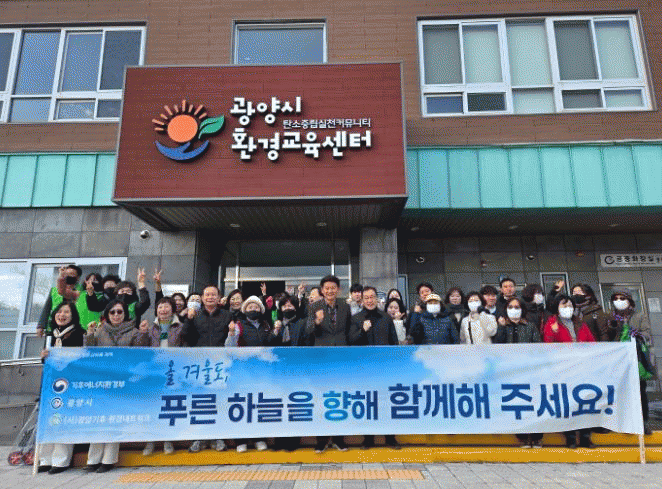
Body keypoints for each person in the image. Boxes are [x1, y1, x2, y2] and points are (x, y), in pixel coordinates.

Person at [83, 299, 150, 472]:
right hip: (101, 381)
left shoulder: (134, 331)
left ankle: (108, 460)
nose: (116, 315)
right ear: (107, 314)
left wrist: (143, 334)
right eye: (112, 312)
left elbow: (140, 353)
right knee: (98, 419)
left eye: (120, 312)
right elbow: (89, 352)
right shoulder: (99, 331)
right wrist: (89, 335)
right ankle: (93, 459)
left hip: (122, 381)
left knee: (114, 419)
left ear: (125, 314)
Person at [542, 294, 596, 449]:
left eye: (570, 306)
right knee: (568, 403)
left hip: (582, 368)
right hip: (563, 369)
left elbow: (592, 342)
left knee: (584, 402)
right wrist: (553, 332)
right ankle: (571, 437)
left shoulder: (580, 323)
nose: (568, 309)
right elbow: (547, 346)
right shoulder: (551, 323)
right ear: (557, 308)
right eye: (564, 306)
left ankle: (585, 436)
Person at [349, 286, 400, 449]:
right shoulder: (356, 318)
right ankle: (368, 439)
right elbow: (351, 341)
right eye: (366, 298)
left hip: (384, 368)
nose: (370, 300)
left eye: (372, 297)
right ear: (362, 300)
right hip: (364, 370)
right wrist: (362, 331)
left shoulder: (386, 318)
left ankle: (390, 438)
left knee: (386, 403)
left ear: (376, 299)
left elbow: (394, 342)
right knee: (367, 404)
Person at [38, 301, 85, 474]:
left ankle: (61, 460)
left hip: (68, 383)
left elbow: (80, 359)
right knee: (47, 419)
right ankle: (45, 459)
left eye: (66, 312)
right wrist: (44, 356)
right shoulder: (50, 335)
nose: (62, 315)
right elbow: (46, 362)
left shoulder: (79, 334)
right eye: (59, 311)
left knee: (63, 419)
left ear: (73, 316)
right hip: (50, 383)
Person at [183, 285, 232, 452]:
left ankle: (218, 437)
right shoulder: (195, 315)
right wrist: (189, 319)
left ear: (219, 298)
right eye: (207, 295)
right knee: (200, 401)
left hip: (220, 364)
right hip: (200, 364)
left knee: (219, 400)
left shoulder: (227, 315)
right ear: (202, 298)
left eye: (213, 294)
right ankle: (199, 437)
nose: (210, 297)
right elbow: (186, 337)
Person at [306, 275, 351, 452]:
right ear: (322, 290)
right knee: (321, 397)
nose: (330, 291)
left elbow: (348, 330)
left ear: (338, 289)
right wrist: (317, 321)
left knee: (339, 397)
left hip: (341, 357)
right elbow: (308, 330)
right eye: (327, 288)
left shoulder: (345, 306)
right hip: (322, 358)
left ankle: (339, 439)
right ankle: (321, 440)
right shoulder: (314, 306)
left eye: (333, 288)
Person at [225, 296, 277, 452]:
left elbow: (270, 344)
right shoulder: (239, 325)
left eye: (256, 307)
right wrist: (231, 333)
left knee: (259, 405)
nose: (253, 309)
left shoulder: (266, 325)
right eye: (250, 307)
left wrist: (275, 332)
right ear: (244, 309)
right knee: (241, 405)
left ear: (261, 310)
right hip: (243, 371)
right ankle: (240, 440)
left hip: (262, 371)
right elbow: (229, 347)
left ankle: (259, 438)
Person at [606, 290, 654, 435]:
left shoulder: (639, 316)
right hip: (618, 360)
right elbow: (607, 336)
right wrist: (613, 327)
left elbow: (647, 333)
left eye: (622, 298)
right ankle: (623, 422)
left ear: (629, 301)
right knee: (621, 392)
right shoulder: (610, 317)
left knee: (640, 392)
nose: (619, 301)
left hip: (636, 358)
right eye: (616, 298)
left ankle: (643, 422)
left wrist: (638, 334)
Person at [497, 297, 542, 448]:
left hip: (529, 371)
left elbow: (538, 346)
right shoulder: (503, 326)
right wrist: (501, 327)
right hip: (510, 372)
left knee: (533, 402)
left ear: (522, 309)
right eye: (510, 307)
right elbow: (497, 346)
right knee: (516, 403)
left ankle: (537, 436)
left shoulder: (530, 326)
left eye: (517, 307)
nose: (514, 310)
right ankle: (522, 436)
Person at [143, 297, 184, 456]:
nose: (163, 310)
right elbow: (142, 348)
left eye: (166, 307)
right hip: (155, 372)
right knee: (153, 406)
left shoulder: (180, 327)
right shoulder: (150, 328)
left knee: (169, 407)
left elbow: (186, 348)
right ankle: (150, 441)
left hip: (173, 372)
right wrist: (142, 333)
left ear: (173, 309)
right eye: (160, 307)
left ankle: (168, 440)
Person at [273, 294, 310, 451]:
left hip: (297, 371)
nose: (287, 308)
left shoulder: (302, 323)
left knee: (296, 405)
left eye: (290, 305)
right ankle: (279, 440)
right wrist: (275, 331)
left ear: (296, 307)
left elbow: (307, 344)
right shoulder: (277, 324)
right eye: (284, 306)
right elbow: (269, 344)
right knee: (279, 405)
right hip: (279, 371)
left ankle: (293, 440)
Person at [86, 268, 151, 326]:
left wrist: (141, 283)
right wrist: (90, 293)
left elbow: (145, 303)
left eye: (128, 291)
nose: (125, 293)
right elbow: (94, 306)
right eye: (122, 291)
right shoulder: (110, 303)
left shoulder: (134, 306)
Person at [36, 265, 84, 336]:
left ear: (77, 277)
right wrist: (41, 325)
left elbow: (63, 292)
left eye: (71, 274)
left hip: (73, 329)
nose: (68, 276)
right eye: (66, 274)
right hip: (54, 327)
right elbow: (47, 308)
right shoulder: (54, 290)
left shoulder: (82, 291)